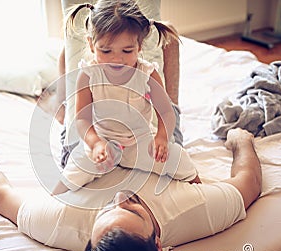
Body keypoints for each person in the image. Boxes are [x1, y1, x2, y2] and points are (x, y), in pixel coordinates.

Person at [0, 128, 262, 251]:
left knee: (85, 67)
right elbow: (248, 183)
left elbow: (1, 197)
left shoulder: (60, 221)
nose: (119, 197)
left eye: (106, 210)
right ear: (157, 244)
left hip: (90, 139)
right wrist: (241, 141)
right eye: (133, 208)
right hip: (155, 136)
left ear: (88, 242)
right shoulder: (195, 212)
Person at [51, 0, 199, 195]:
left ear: (139, 46)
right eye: (106, 51)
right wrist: (95, 143)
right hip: (103, 143)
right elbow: (82, 119)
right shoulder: (88, 75)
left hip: (140, 142)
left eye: (127, 51)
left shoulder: (148, 74)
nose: (116, 58)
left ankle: (201, 187)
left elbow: (165, 112)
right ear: (91, 45)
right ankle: (51, 200)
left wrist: (162, 137)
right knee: (71, 173)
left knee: (179, 160)